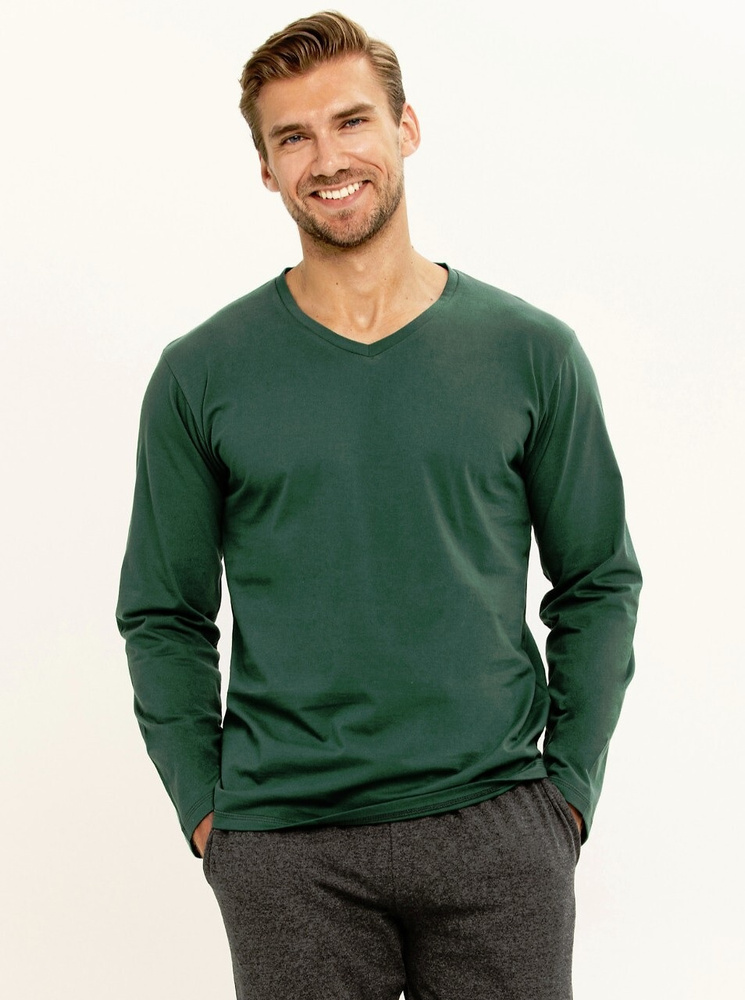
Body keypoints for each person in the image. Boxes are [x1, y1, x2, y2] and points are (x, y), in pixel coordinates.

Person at [117, 11, 642, 999]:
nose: (327, 158)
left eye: (351, 121)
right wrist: (206, 810)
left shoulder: (530, 353)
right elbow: (163, 612)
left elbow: (598, 580)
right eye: (293, 137)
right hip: (288, 848)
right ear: (266, 169)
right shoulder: (201, 374)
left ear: (406, 127)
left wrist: (565, 791)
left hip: (496, 827)